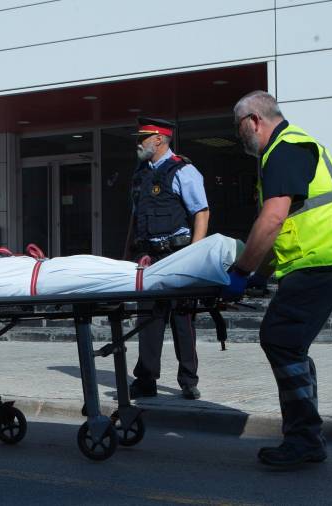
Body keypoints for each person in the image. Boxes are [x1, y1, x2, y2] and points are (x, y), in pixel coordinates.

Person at [224, 91, 332, 467]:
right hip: (321, 260)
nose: (240, 138)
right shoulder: (290, 148)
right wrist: (260, 275)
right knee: (290, 343)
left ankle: (304, 439)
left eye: (239, 129)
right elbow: (285, 228)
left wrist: (240, 272)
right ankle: (307, 436)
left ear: (253, 120)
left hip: (320, 261)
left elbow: (271, 221)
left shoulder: (286, 149)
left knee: (280, 339)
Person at [126, 117, 210, 401]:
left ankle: (188, 380)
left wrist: (194, 254)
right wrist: (137, 252)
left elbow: (201, 212)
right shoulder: (141, 175)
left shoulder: (183, 170)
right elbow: (137, 218)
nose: (138, 144)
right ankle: (146, 379)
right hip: (150, 257)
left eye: (143, 139)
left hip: (179, 253)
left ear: (158, 139)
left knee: (182, 319)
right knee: (148, 319)